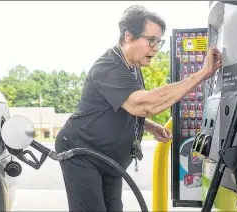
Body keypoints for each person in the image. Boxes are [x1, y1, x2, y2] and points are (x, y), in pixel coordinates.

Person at [54, 4, 222, 212]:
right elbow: (143, 104)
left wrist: (149, 126)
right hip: (81, 153)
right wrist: (201, 74)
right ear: (128, 37)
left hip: (108, 159)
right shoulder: (108, 68)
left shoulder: (132, 66)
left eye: (158, 42)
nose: (156, 48)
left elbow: (122, 107)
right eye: (151, 40)